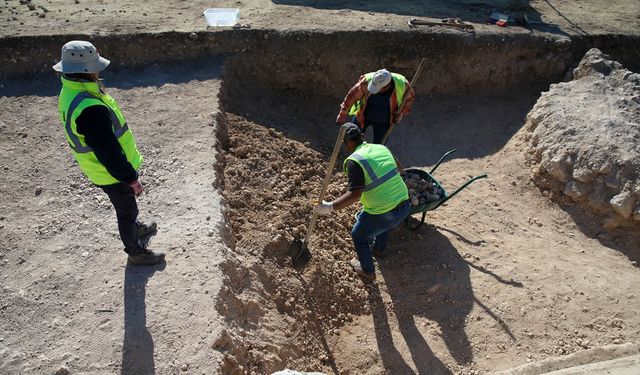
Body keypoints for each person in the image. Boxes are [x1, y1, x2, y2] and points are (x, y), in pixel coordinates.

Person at [54, 40, 164, 265]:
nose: (98, 70)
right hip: (110, 172)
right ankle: (135, 252)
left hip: (101, 169)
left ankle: (136, 230)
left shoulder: (71, 90)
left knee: (127, 208)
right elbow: (109, 151)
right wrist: (130, 178)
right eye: (95, 66)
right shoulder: (90, 109)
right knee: (126, 211)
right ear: (85, 71)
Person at [316, 123, 410, 281]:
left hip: (383, 212)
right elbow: (400, 168)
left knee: (359, 235)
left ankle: (368, 271)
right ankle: (379, 249)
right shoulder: (380, 148)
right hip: (404, 204)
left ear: (347, 143)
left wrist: (329, 207)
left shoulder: (354, 161)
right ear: (362, 136)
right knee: (386, 220)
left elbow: (355, 195)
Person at [336, 69, 415, 144]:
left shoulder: (402, 84)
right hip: (363, 116)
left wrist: (401, 112)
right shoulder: (367, 81)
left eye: (377, 88)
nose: (373, 90)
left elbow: (409, 99)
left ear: (386, 87)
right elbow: (351, 97)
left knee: (378, 146)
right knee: (351, 138)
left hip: (384, 122)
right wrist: (342, 114)